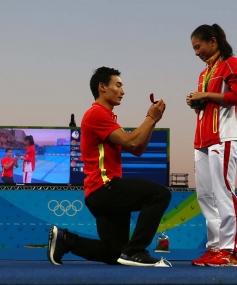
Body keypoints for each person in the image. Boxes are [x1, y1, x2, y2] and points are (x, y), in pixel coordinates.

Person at [47, 66, 172, 266]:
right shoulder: (97, 114)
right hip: (104, 187)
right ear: (102, 87)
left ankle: (65, 240)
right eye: (118, 85)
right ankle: (136, 250)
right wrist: (151, 118)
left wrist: (153, 121)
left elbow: (137, 149)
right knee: (160, 194)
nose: (123, 91)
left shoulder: (107, 117)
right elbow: (132, 142)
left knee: (115, 253)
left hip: (99, 193)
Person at [185, 24, 237, 267]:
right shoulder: (204, 74)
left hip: (223, 137)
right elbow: (208, 104)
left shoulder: (232, 63)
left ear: (213, 41)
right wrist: (196, 102)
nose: (196, 52)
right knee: (205, 195)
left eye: (198, 46)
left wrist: (206, 96)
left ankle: (229, 251)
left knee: (223, 192)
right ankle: (214, 247)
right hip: (201, 139)